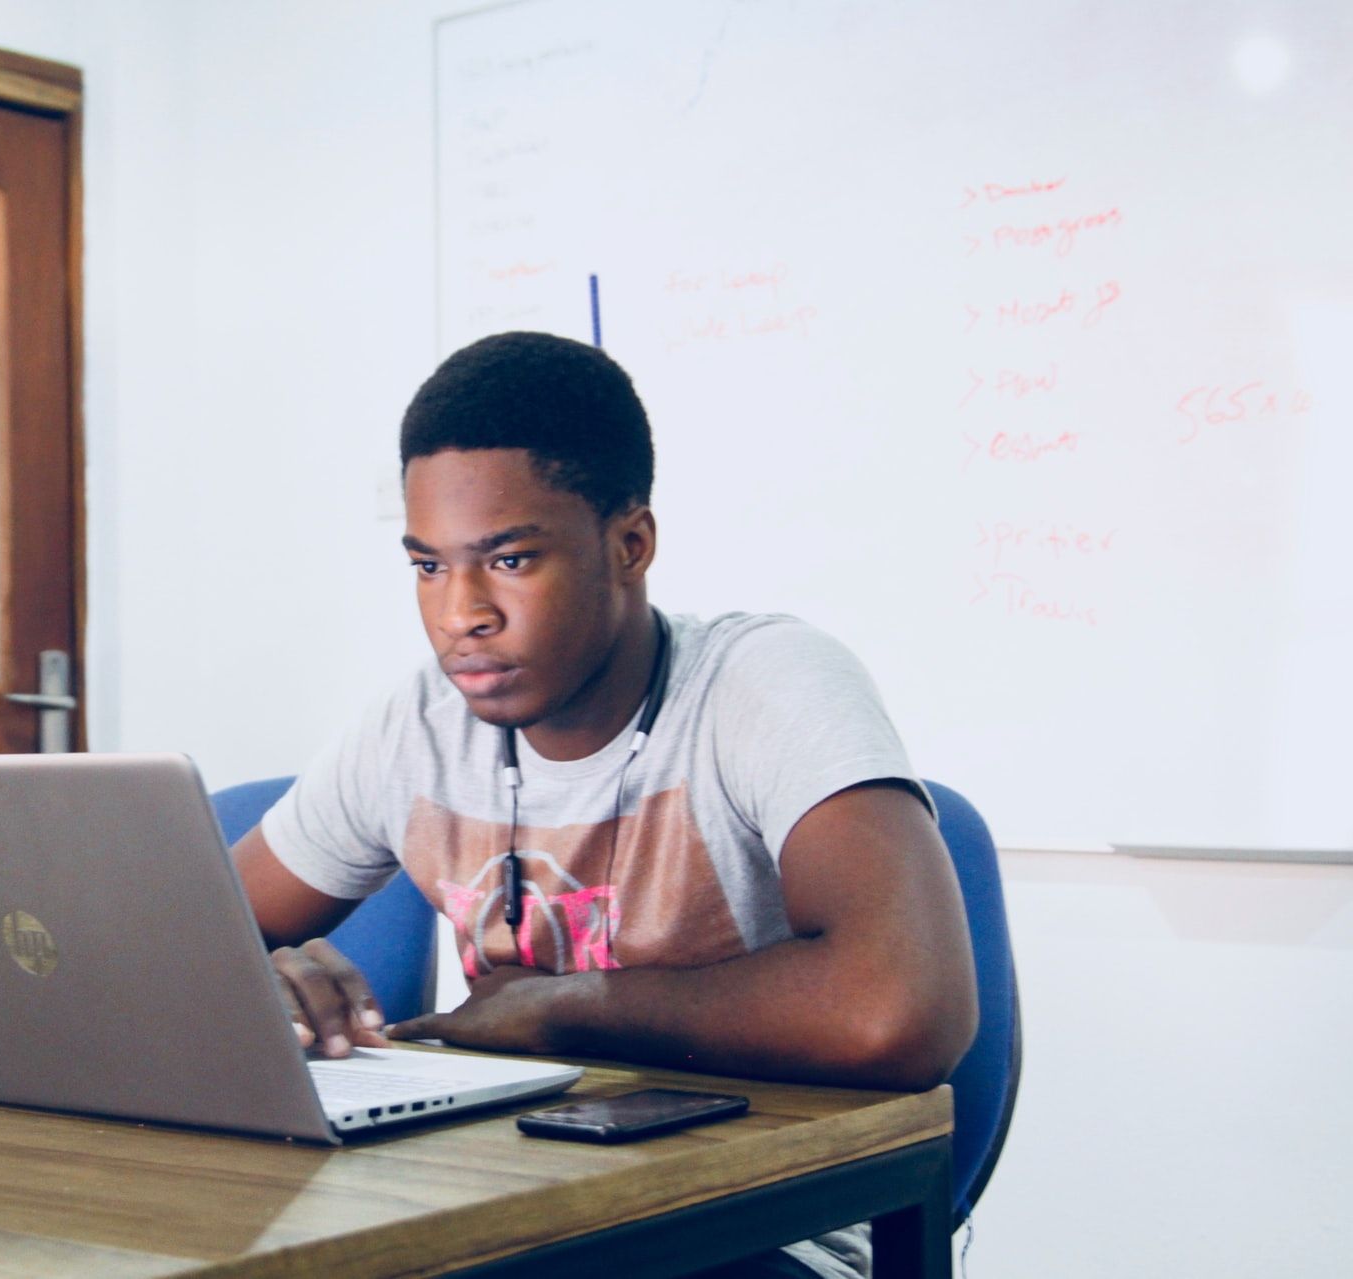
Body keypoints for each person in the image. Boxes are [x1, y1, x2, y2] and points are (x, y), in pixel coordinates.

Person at [230, 331, 977, 1279]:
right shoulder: (415, 722)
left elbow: (899, 1009)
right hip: (506, 1201)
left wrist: (563, 1006)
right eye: (428, 566)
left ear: (630, 544)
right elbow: (183, 939)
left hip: (762, 1221)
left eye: (507, 560)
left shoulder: (764, 683)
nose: (461, 612)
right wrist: (258, 984)